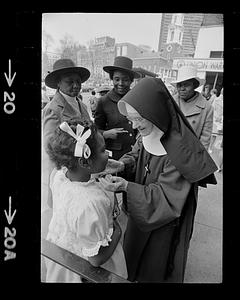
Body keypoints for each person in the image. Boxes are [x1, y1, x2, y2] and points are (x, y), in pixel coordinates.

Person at [98, 77, 218, 283]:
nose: (134, 126)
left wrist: (127, 186)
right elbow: (137, 154)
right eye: (131, 119)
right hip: (142, 210)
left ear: (154, 112)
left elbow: (168, 198)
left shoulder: (181, 150)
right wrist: (122, 165)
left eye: (138, 119)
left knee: (154, 266)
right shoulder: (150, 129)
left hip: (163, 222)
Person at [44, 118, 127, 282]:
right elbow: (95, 259)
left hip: (61, 256)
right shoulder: (90, 203)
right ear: (84, 162)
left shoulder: (59, 175)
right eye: (104, 150)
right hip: (84, 271)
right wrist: (117, 229)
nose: (107, 153)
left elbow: (88, 168)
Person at [42, 58, 91, 232]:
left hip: (81, 168)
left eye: (78, 81)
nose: (76, 86)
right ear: (58, 84)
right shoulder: (53, 109)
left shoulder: (82, 105)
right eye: (70, 82)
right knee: (64, 213)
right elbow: (50, 146)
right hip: (64, 171)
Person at [94, 56, 140, 160]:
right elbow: (95, 131)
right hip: (116, 156)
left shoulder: (137, 98)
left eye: (125, 80)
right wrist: (105, 134)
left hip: (137, 153)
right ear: (112, 79)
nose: (121, 83)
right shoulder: (104, 101)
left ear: (131, 80)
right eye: (117, 79)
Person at [171, 66, 214, 150]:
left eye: (186, 85)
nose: (182, 88)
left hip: (190, 153)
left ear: (194, 85)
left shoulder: (206, 108)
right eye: (179, 85)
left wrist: (198, 159)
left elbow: (205, 139)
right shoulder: (171, 101)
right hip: (169, 151)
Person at [209, 88, 223, 172]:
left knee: (213, 135)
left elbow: (211, 109)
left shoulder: (216, 100)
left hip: (215, 121)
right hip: (220, 123)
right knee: (219, 139)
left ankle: (219, 166)